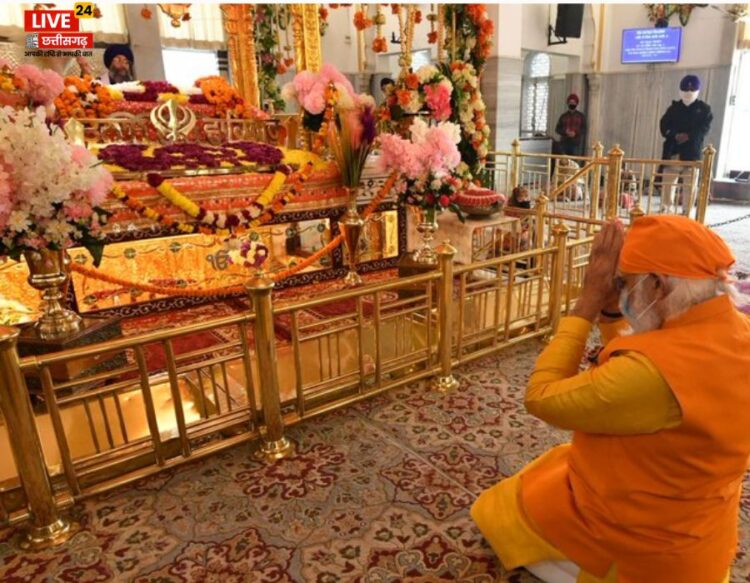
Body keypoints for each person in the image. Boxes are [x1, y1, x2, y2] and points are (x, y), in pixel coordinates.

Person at [472, 216, 750, 583]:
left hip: (642, 546)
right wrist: (612, 313)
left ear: (656, 284)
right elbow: (645, 362)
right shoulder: (735, 330)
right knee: (552, 468)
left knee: (498, 510)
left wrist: (586, 304)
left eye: (626, 284)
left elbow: (540, 397)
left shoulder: (648, 377)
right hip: (698, 527)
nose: (619, 292)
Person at [659, 75, 713, 214]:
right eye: (685, 89)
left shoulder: (704, 109)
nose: (688, 92)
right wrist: (674, 135)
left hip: (691, 153)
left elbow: (704, 128)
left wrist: (688, 136)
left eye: (692, 89)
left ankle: (686, 212)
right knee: (668, 184)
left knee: (690, 186)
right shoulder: (674, 108)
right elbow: (664, 125)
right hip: (673, 152)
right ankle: (666, 209)